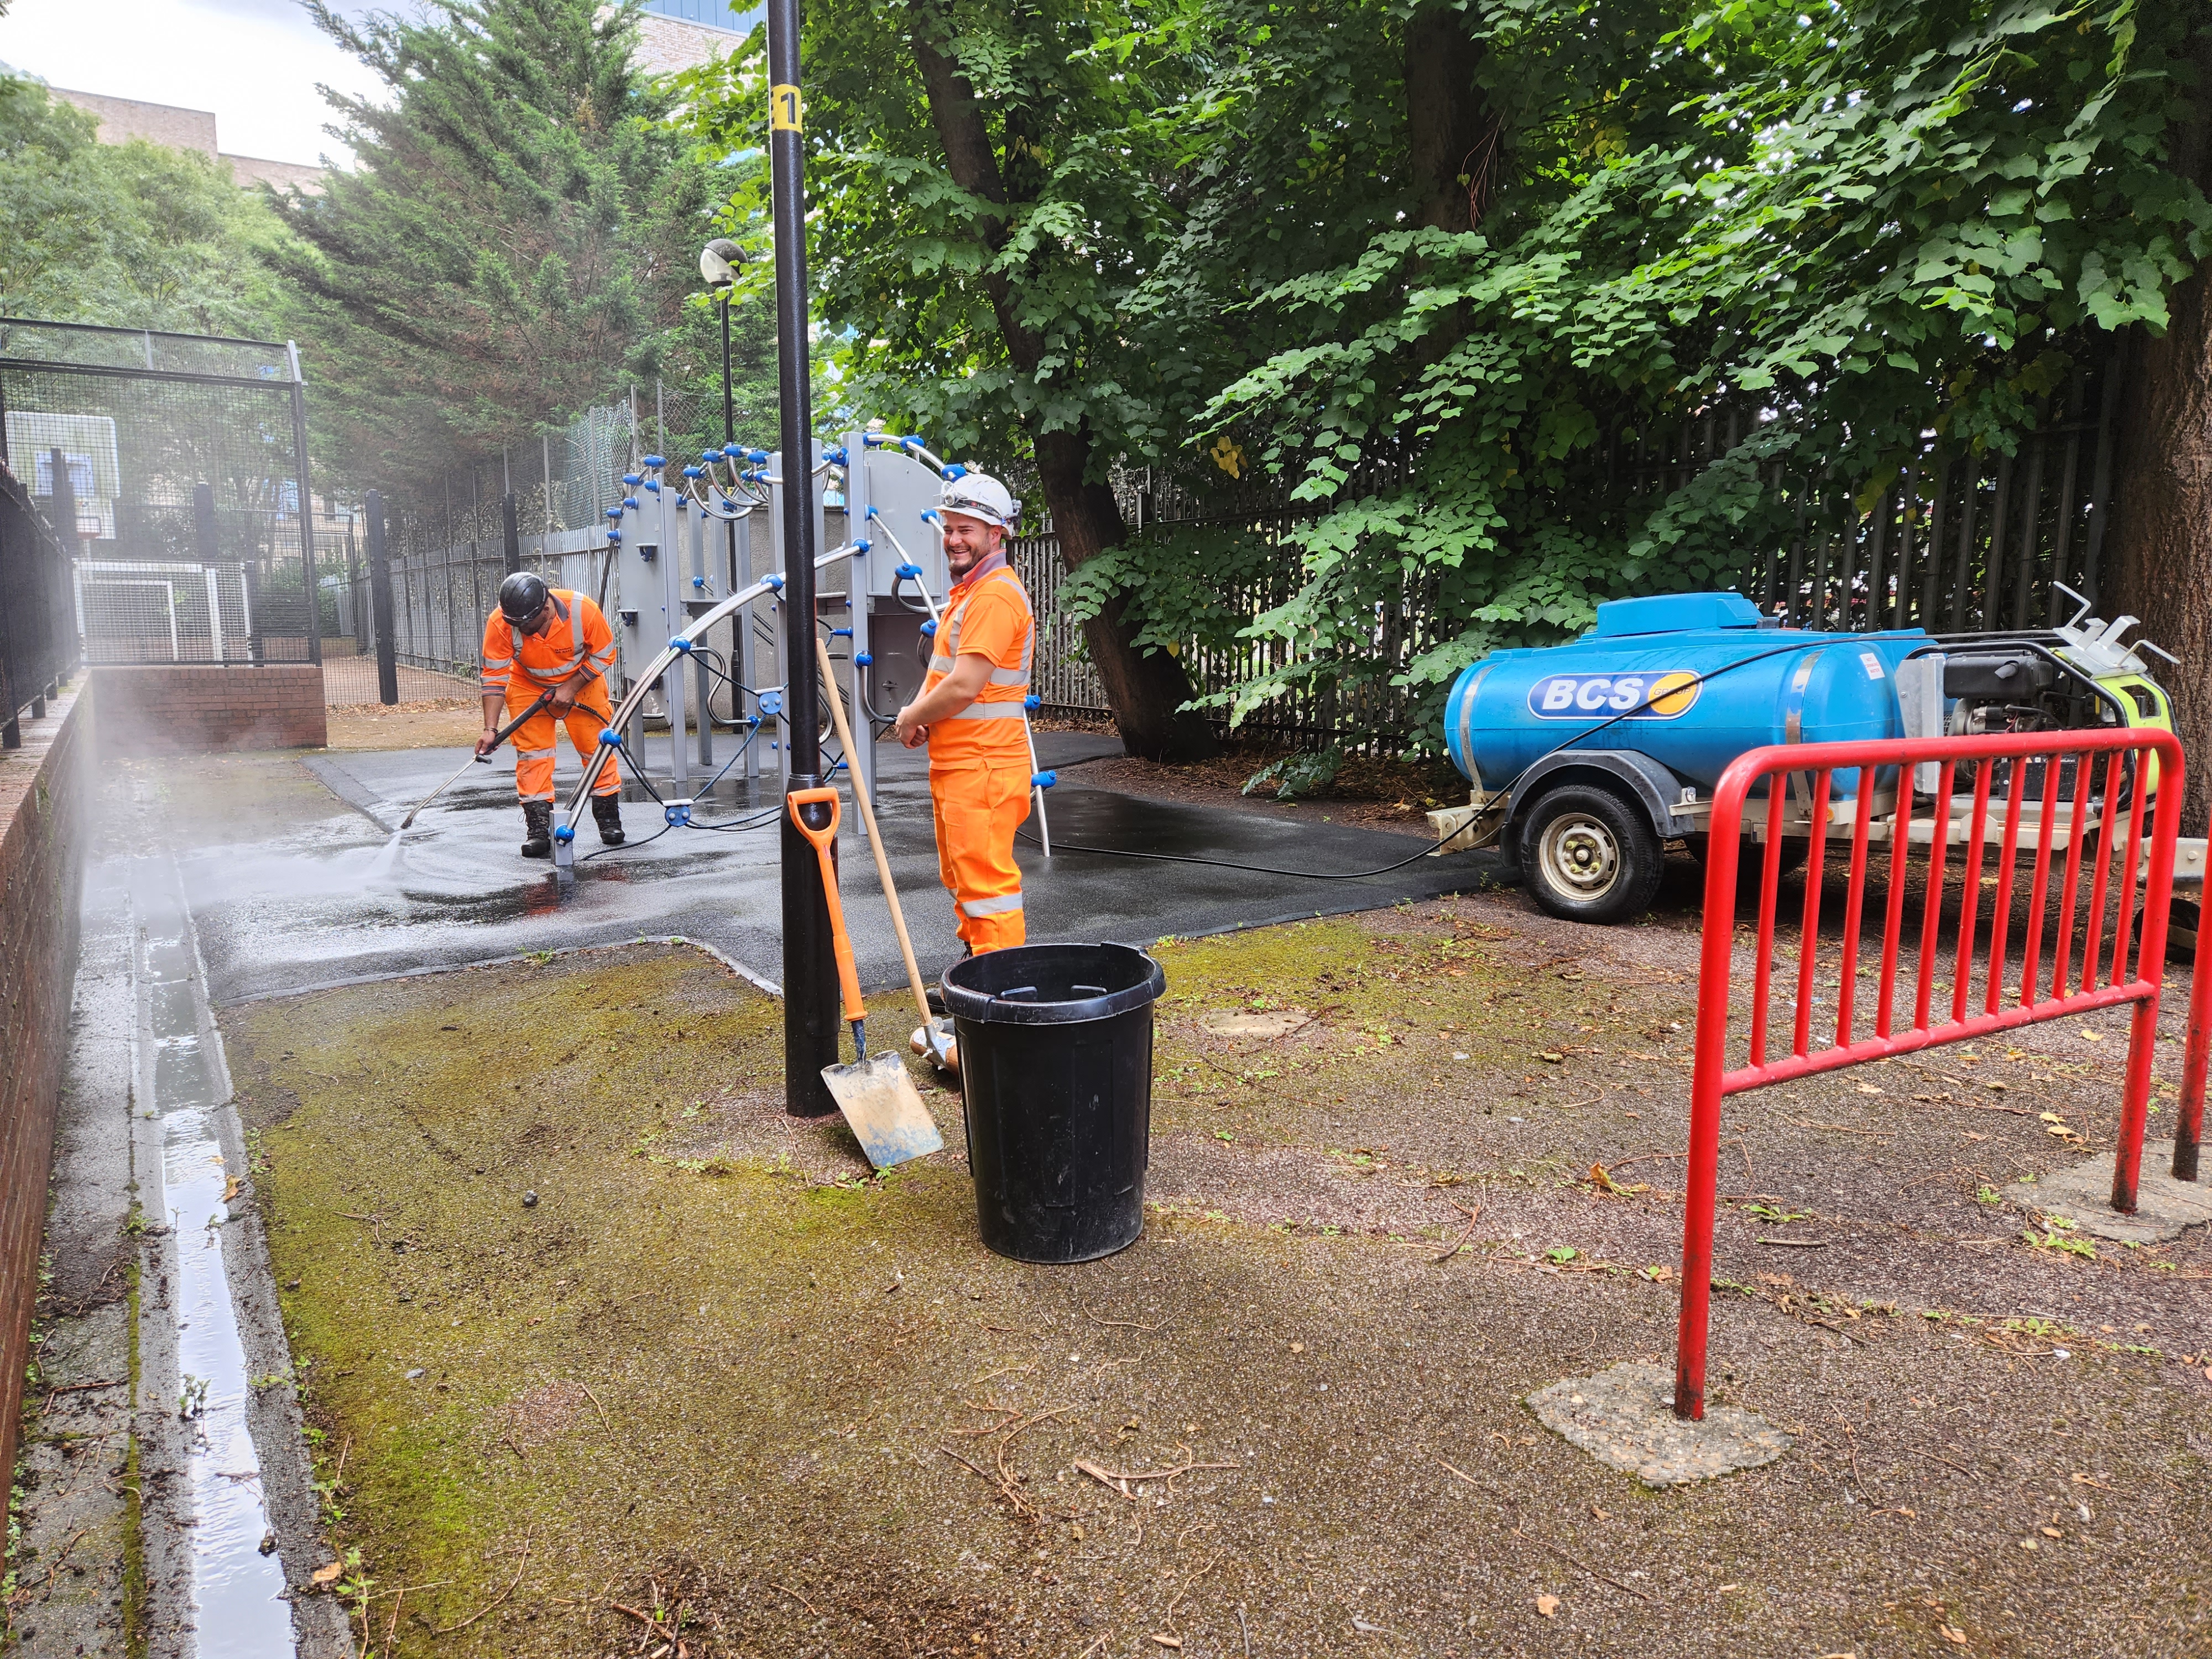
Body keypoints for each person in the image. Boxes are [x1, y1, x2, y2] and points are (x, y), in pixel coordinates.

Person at [892, 472, 1034, 957]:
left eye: (966, 530)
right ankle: (975, 979)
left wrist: (912, 715)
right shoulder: (972, 594)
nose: (953, 539)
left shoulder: (993, 596)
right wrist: (929, 717)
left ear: (997, 535)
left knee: (988, 890)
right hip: (964, 764)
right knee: (966, 880)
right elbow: (952, 680)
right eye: (949, 528)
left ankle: (997, 1003)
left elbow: (965, 685)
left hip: (984, 766)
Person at [478, 571, 625, 858]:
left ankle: (609, 821)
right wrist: (490, 729)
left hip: (583, 682)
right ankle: (539, 830)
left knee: (597, 748)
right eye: (514, 623)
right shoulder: (502, 621)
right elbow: (494, 677)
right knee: (533, 756)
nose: (519, 628)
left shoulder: (583, 611)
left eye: (525, 623)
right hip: (527, 685)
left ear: (545, 608)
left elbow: (605, 654)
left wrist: (571, 687)